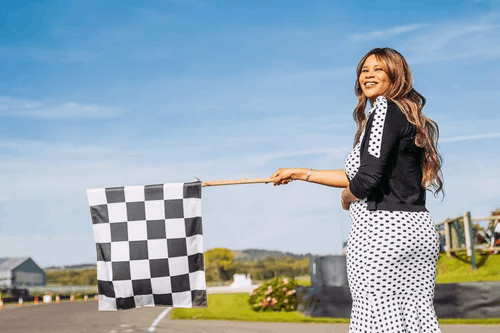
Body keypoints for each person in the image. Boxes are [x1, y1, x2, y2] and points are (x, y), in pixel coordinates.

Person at [270, 47, 444, 332]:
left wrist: (347, 196)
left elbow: (365, 181)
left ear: (395, 75)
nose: (369, 75)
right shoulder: (409, 115)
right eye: (364, 70)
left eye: (378, 69)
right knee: (415, 318)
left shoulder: (384, 109)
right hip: (418, 230)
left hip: (382, 232)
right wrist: (300, 173)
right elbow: (361, 173)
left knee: (377, 318)